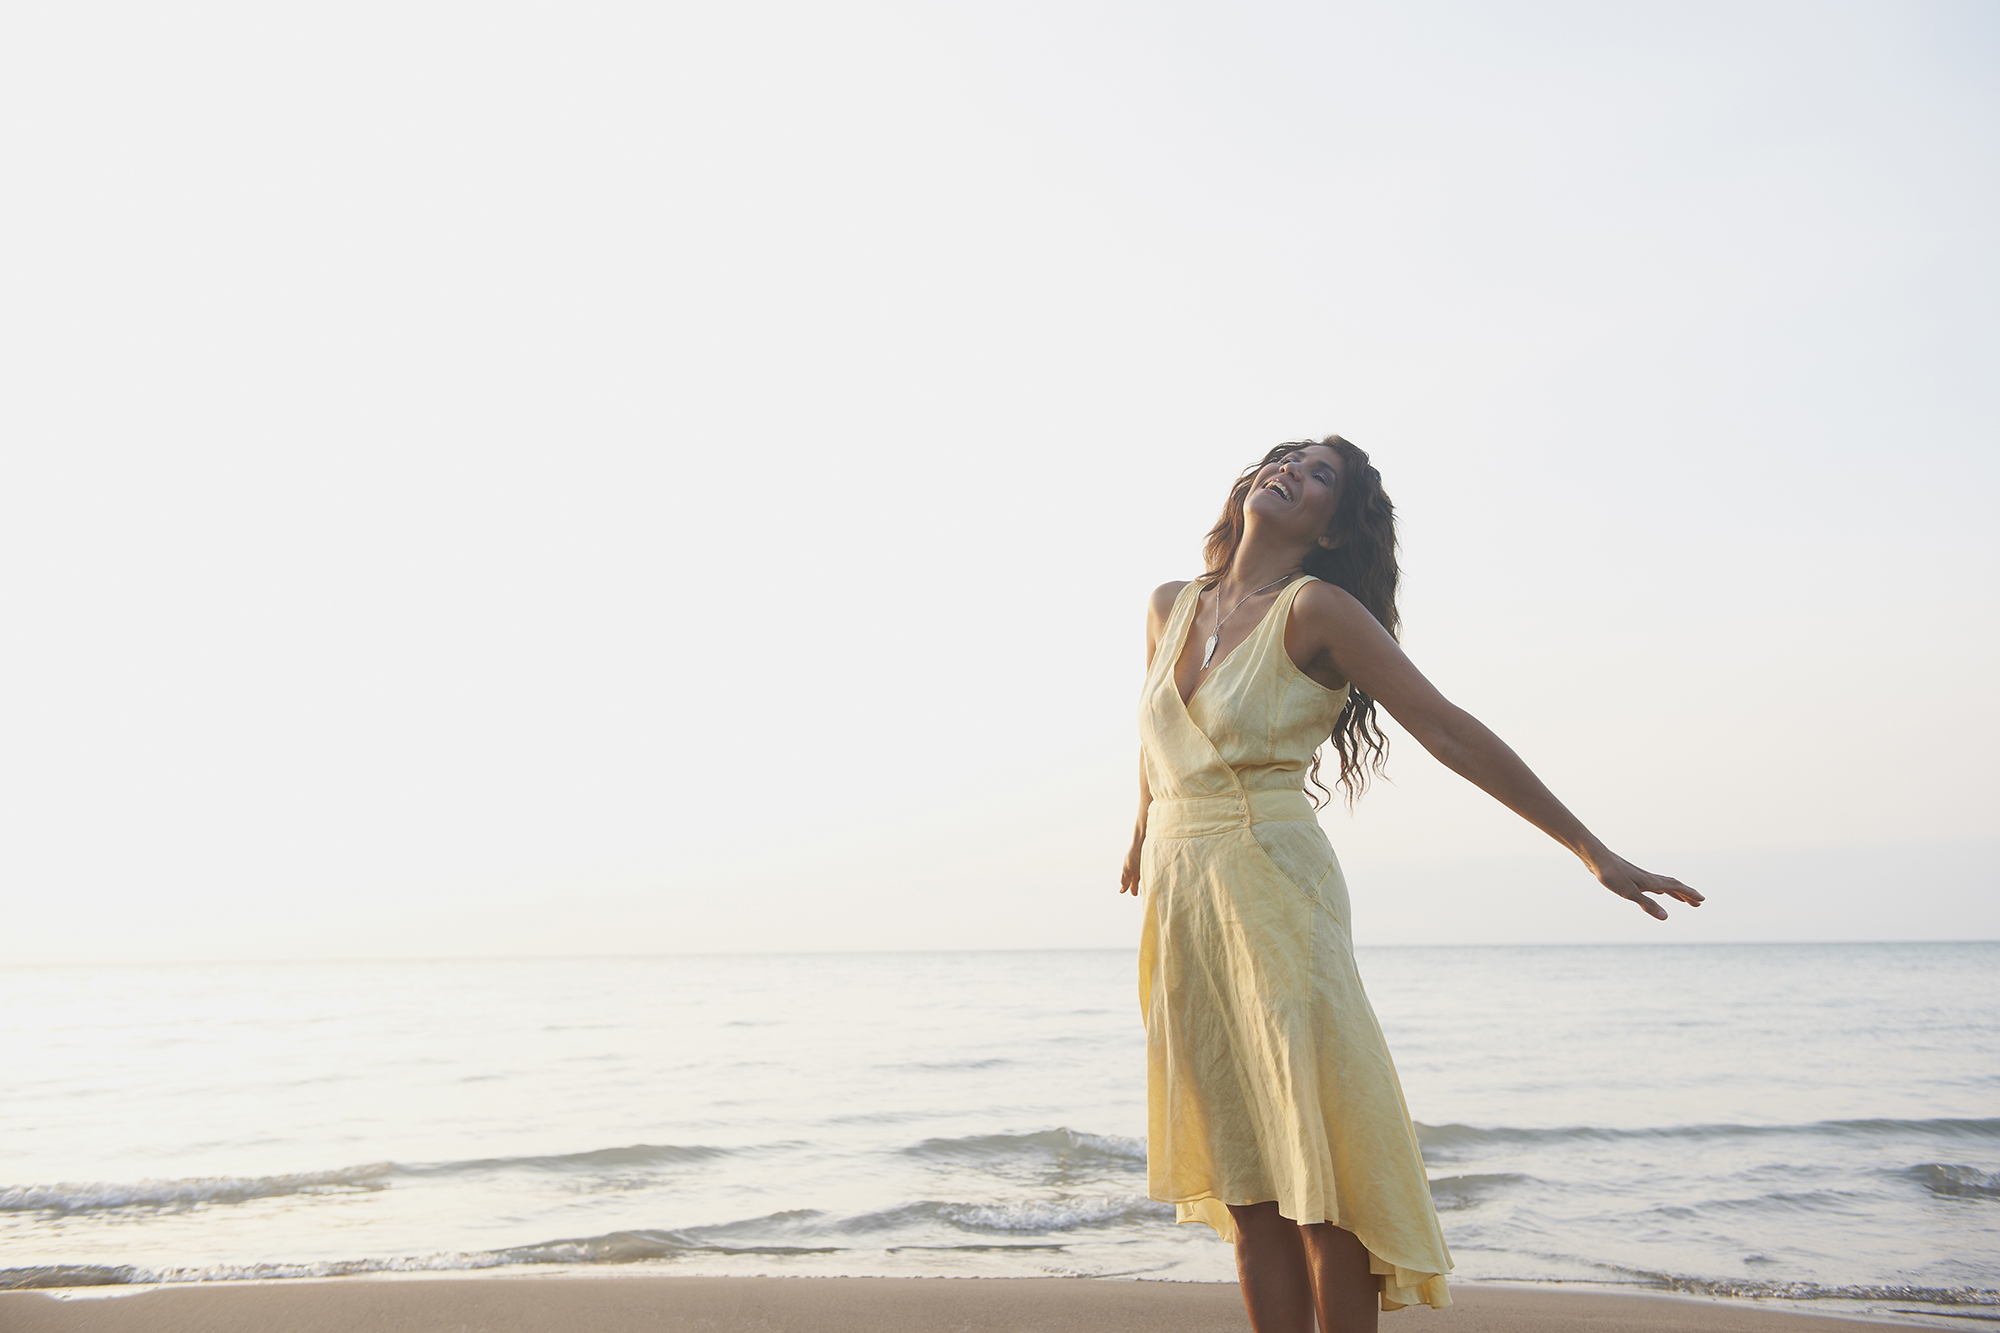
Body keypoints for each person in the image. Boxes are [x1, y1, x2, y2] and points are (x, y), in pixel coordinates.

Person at [1118, 437, 1701, 1333]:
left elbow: (1447, 730)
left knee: (1319, 1168)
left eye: (1320, 476)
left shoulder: (1318, 608)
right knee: (1248, 1177)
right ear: (1245, 484)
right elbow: (1158, 734)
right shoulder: (1169, 604)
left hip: (1275, 889)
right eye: (1285, 459)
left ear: (1330, 527)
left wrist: (1589, 847)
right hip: (1184, 900)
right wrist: (1139, 835)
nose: (1291, 473)